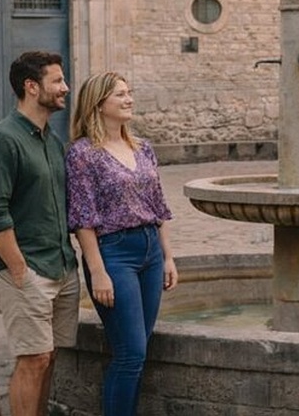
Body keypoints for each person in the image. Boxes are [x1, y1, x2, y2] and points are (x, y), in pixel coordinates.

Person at [65, 71, 178, 416]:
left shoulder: (142, 147)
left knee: (138, 350)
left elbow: (158, 207)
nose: (129, 99)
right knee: (130, 353)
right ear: (99, 104)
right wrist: (98, 272)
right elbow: (83, 218)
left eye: (129, 93)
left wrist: (168, 257)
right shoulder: (82, 153)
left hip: (150, 251)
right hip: (114, 253)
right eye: (120, 95)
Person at [0, 51, 80, 416]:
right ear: (32, 87)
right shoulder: (2, 140)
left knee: (47, 357)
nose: (65, 88)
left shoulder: (51, 141)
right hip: (25, 270)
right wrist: (21, 273)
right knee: (33, 357)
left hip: (61, 266)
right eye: (57, 81)